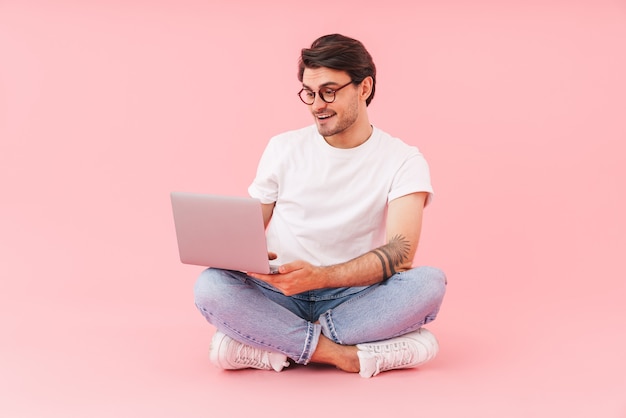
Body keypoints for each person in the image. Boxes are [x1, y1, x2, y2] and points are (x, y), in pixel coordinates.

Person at [194, 33, 447, 378]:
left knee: (429, 284)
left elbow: (401, 255)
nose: (317, 105)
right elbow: (249, 227)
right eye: (309, 93)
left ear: (365, 87)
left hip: (354, 298)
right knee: (211, 286)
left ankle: (269, 345)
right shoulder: (283, 148)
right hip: (279, 291)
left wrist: (324, 276)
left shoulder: (403, 160)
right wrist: (228, 247)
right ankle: (340, 354)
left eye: (329, 91)